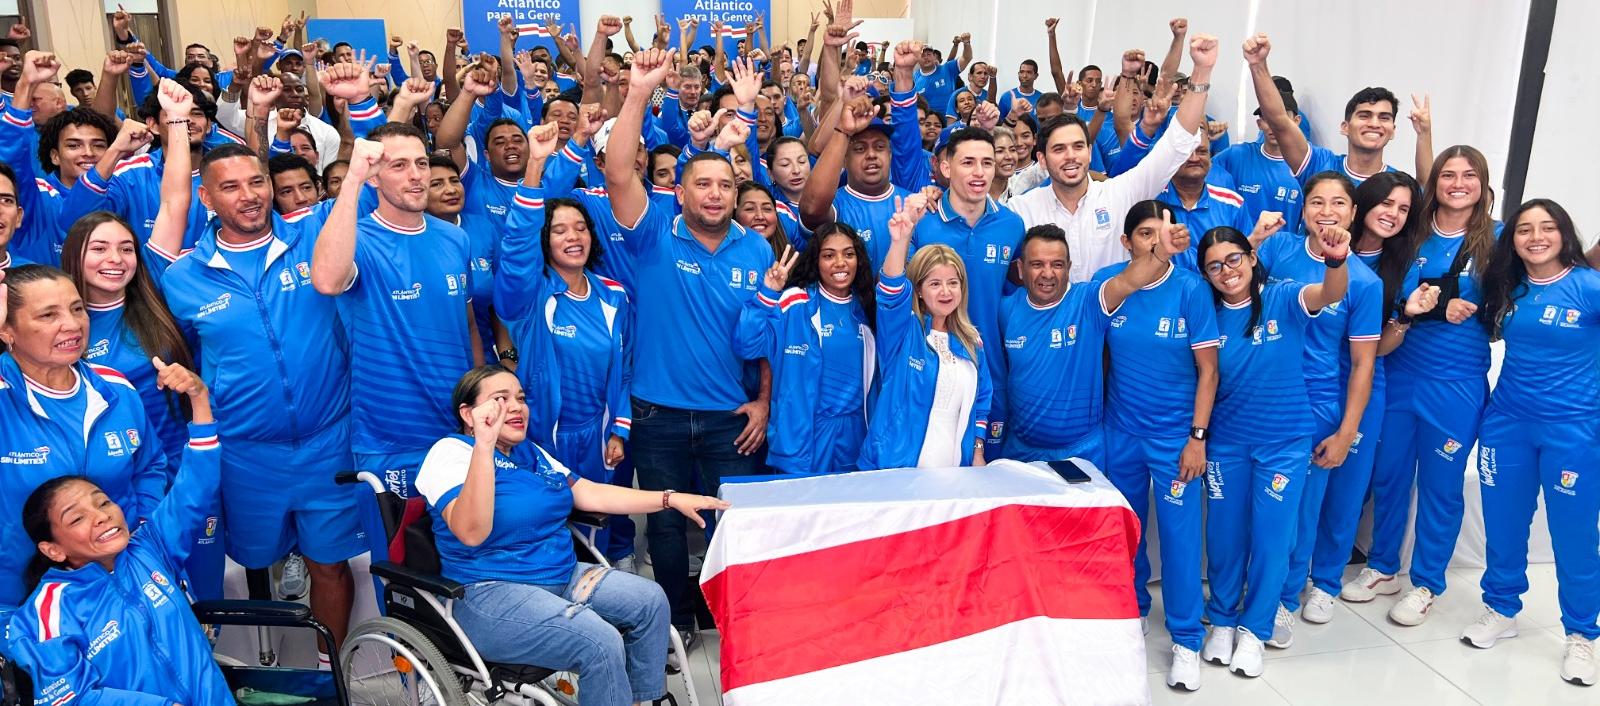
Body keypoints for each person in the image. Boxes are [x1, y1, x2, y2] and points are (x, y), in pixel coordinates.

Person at [162, 137, 363, 664]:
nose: (249, 196)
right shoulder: (182, 278)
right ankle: (264, 662)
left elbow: (370, 191)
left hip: (328, 444)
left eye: (257, 182)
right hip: (246, 454)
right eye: (230, 187)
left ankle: (330, 671)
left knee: (330, 565)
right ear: (207, 198)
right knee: (254, 562)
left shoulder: (314, 236)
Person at [416, 365, 728, 706]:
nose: (516, 407)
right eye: (500, 399)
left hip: (561, 577)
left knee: (650, 601)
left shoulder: (530, 453)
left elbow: (592, 493)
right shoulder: (450, 453)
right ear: (467, 412)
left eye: (520, 398)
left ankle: (638, 701)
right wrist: (484, 446)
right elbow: (471, 532)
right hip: (491, 593)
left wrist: (670, 498)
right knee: (600, 641)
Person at [603, 49, 773, 637]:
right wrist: (636, 94)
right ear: (680, 192)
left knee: (735, 522)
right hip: (659, 415)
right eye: (702, 184)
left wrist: (764, 402)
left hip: (731, 417)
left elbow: (765, 337)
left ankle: (737, 615)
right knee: (668, 527)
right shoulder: (651, 234)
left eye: (725, 184)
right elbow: (619, 173)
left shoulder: (756, 248)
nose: (715, 194)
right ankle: (676, 620)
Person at [5, 357, 226, 706]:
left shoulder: (150, 547)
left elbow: (195, 487)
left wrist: (199, 400)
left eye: (103, 503)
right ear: (53, 549)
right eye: (76, 519)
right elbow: (68, 699)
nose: (101, 517)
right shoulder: (47, 614)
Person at [1196, 223, 1349, 682]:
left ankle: (1255, 630)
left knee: (1272, 539)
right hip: (1226, 443)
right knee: (1224, 536)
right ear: (1206, 274)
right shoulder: (1206, 314)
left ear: (1252, 257)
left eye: (1234, 259)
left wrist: (1336, 260)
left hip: (1284, 444)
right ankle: (1222, 620)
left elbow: (1327, 293)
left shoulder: (1283, 297)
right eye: (1215, 266)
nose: (1227, 271)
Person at [1359, 146, 1499, 625]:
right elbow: (1387, 293)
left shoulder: (1496, 241)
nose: (1458, 183)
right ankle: (1382, 567)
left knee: (1440, 485)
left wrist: (1475, 311)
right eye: (1448, 174)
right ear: (1433, 181)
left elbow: (1508, 309)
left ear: (1483, 184)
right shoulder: (1411, 232)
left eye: (1469, 175)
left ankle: (1426, 582)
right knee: (1389, 474)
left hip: (1456, 383)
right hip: (1399, 371)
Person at [311, 122, 482, 498]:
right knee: (405, 556)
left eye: (421, 163)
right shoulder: (359, 240)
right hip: (390, 440)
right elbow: (326, 281)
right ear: (375, 177)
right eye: (399, 165)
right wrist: (353, 179)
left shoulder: (456, 238)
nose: (417, 175)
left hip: (457, 429)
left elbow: (467, 325)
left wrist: (479, 401)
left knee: (467, 548)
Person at [0, 263, 175, 625]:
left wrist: (142, 530)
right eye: (48, 315)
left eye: (77, 309)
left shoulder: (116, 389)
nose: (72, 324)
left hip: (123, 586)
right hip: (21, 605)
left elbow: (149, 466)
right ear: (7, 330)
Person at [1470, 199, 1598, 686]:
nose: (1536, 237)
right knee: (1502, 526)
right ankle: (1501, 609)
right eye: (1525, 229)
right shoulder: (1508, 288)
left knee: (1575, 535)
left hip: (1574, 431)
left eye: (1547, 228)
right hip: (1508, 425)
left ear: (1565, 234)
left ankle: (1582, 635)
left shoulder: (1589, 287)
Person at [1248, 174, 1382, 639]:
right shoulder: (1277, 250)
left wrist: (1346, 432)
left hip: (1314, 405)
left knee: (1299, 510)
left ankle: (1285, 597)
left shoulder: (1363, 282)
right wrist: (1253, 239)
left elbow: (1363, 364)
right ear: (1303, 210)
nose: (1327, 211)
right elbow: (1231, 289)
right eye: (1317, 201)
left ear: (1352, 214)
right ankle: (1252, 589)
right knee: (1256, 507)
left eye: (1338, 203)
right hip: (1258, 394)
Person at [498, 125, 638, 566]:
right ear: (545, 241)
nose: (573, 236)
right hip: (540, 437)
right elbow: (516, 248)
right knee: (549, 526)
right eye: (560, 231)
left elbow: (625, 369)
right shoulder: (530, 295)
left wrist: (619, 428)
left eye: (581, 227)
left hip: (596, 436)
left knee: (598, 521)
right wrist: (537, 168)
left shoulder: (613, 296)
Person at [1094, 200, 1219, 678]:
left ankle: (1187, 637)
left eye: (1161, 233)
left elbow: (1209, 371)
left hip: (1175, 439)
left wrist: (1197, 438)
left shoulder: (1190, 289)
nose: (1153, 241)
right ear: (1127, 242)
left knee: (1181, 540)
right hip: (1120, 432)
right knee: (1125, 532)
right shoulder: (1113, 283)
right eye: (1144, 234)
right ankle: (1132, 611)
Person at [1010, 33, 1220, 283]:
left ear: (1089, 152)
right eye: (1059, 149)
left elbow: (1178, 142)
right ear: (1042, 160)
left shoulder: (1120, 193)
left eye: (1078, 146)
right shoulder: (1020, 210)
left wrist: (1202, 71)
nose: (1070, 156)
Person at [997, 223, 1175, 468]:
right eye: (1037, 264)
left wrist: (1160, 254)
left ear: (1069, 268)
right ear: (1020, 268)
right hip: (1021, 452)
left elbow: (1127, 281)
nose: (1047, 274)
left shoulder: (1088, 301)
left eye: (1057, 264)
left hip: (1082, 452)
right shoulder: (1006, 309)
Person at [858, 194, 991, 470]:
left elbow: (982, 399)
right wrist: (900, 240)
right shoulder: (905, 332)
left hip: (955, 469)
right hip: (898, 470)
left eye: (953, 283)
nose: (946, 292)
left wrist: (977, 450)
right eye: (935, 284)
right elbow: (891, 292)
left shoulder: (972, 341)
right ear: (918, 289)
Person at [736, 223, 876, 474]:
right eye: (829, 255)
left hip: (856, 437)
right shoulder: (796, 302)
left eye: (849, 254)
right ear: (816, 260)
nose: (840, 263)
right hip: (803, 435)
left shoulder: (867, 308)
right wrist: (768, 293)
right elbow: (747, 344)